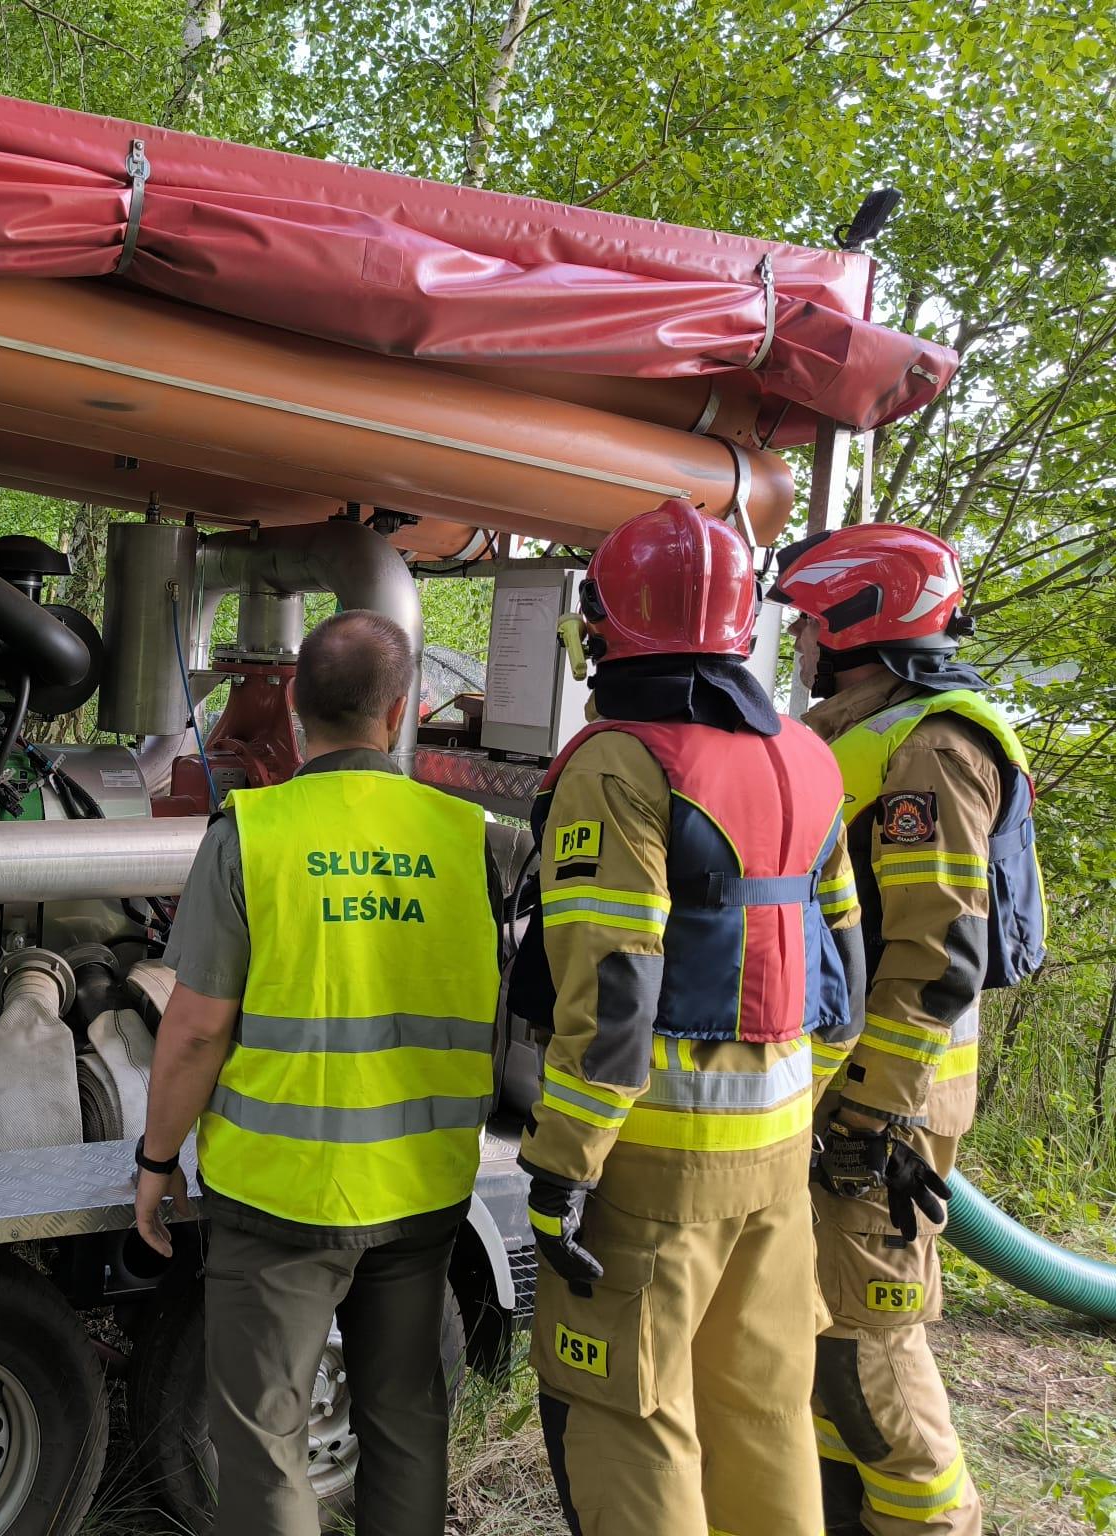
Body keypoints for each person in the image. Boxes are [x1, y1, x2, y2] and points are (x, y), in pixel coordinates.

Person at [515, 499, 866, 1536]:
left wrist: (564, 1167)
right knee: (761, 1411)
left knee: (631, 1417)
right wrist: (797, 1108)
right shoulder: (807, 755)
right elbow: (844, 975)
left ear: (604, 627)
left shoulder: (619, 763)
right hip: (776, 1160)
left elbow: (612, 991)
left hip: (652, 1174)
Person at [131, 608, 502, 1536]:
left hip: (280, 1197)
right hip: (420, 1190)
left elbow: (194, 1031)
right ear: (401, 708)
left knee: (264, 1441)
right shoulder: (470, 837)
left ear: (295, 705)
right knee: (406, 1421)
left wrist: (156, 1160)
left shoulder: (252, 833)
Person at [771, 523, 1045, 1536]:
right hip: (848, 1094)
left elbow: (937, 954)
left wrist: (870, 1115)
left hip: (882, 1110)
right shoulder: (871, 730)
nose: (800, 642)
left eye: (809, 624)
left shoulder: (930, 749)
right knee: (824, 1342)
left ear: (858, 620)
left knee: (868, 1349)